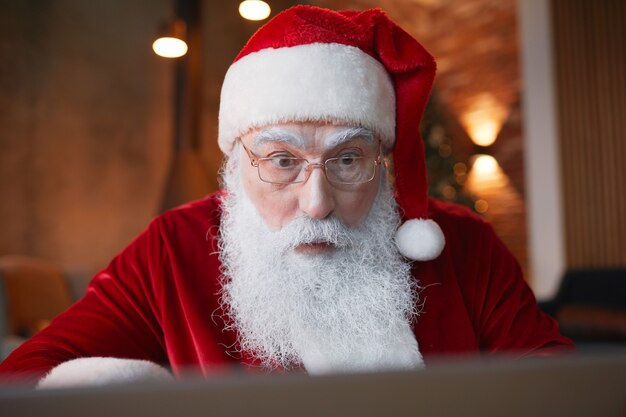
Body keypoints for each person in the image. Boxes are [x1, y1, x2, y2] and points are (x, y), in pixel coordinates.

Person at [0, 5, 573, 387]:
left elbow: (560, 385)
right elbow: (27, 380)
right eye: (281, 161)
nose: (317, 202)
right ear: (237, 164)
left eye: (348, 160)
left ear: (382, 161)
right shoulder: (171, 249)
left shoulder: (463, 244)